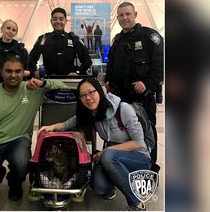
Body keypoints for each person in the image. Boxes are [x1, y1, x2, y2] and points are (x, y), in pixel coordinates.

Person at [38, 77, 151, 210]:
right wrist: (51, 127)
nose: (88, 98)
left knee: (107, 156)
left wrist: (104, 152)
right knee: (98, 185)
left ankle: (136, 204)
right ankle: (114, 183)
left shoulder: (123, 109)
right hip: (113, 159)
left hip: (139, 159)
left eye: (91, 92)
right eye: (83, 95)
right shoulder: (91, 113)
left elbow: (138, 143)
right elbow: (68, 123)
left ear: (99, 91)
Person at [0, 55, 66, 201]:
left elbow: (65, 90)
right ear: (2, 72)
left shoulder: (32, 90)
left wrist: (43, 83)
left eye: (18, 71)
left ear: (24, 73)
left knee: (21, 162)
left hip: (19, 139)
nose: (13, 75)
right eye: (8, 71)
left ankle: (15, 182)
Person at [104, 2, 163, 163]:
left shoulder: (150, 37)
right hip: (119, 98)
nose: (124, 18)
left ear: (135, 14)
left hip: (141, 99)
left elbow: (160, 67)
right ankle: (125, 166)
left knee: (146, 133)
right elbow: (111, 63)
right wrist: (107, 80)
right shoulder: (117, 40)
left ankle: (149, 170)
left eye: (128, 14)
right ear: (117, 18)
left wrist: (146, 83)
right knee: (121, 133)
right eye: (121, 15)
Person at [30, 7, 92, 76]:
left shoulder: (74, 39)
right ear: (51, 21)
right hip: (48, 82)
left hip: (69, 81)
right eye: (55, 19)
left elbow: (87, 60)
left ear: (66, 21)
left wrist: (78, 72)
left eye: (61, 19)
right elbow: (31, 59)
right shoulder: (43, 39)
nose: (58, 21)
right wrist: (33, 71)